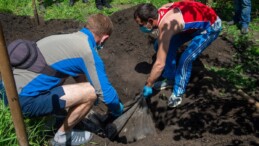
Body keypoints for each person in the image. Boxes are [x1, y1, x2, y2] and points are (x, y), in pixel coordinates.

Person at [1, 13, 124, 145]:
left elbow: (78, 74)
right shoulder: (87, 52)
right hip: (22, 102)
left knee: (66, 82)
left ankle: (45, 121)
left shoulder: (67, 39)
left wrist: (85, 102)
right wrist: (117, 109)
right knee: (92, 92)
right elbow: (106, 95)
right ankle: (61, 138)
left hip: (7, 92)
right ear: (104, 38)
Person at [134, 1, 222, 107]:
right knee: (160, 45)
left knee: (185, 59)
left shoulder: (167, 27)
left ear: (150, 21)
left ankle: (178, 93)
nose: (140, 28)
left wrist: (149, 84)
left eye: (141, 25)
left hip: (210, 26)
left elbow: (159, 64)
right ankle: (170, 77)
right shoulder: (161, 11)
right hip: (194, 24)